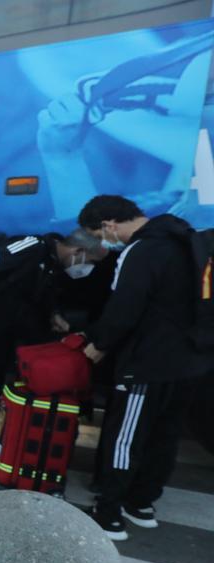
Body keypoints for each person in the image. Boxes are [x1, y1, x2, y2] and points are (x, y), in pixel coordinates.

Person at [78, 196, 211, 539]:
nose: (105, 241)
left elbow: (124, 307)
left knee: (125, 437)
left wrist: (100, 343)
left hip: (147, 363)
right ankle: (141, 504)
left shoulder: (142, 251)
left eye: (100, 233)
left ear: (109, 224)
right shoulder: (188, 241)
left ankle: (108, 514)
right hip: (190, 362)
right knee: (165, 436)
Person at [0, 229, 87, 473]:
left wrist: (53, 315)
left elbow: (37, 295)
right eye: (91, 261)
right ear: (78, 251)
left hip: (2, 331)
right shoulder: (31, 246)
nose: (86, 267)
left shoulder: (51, 264)